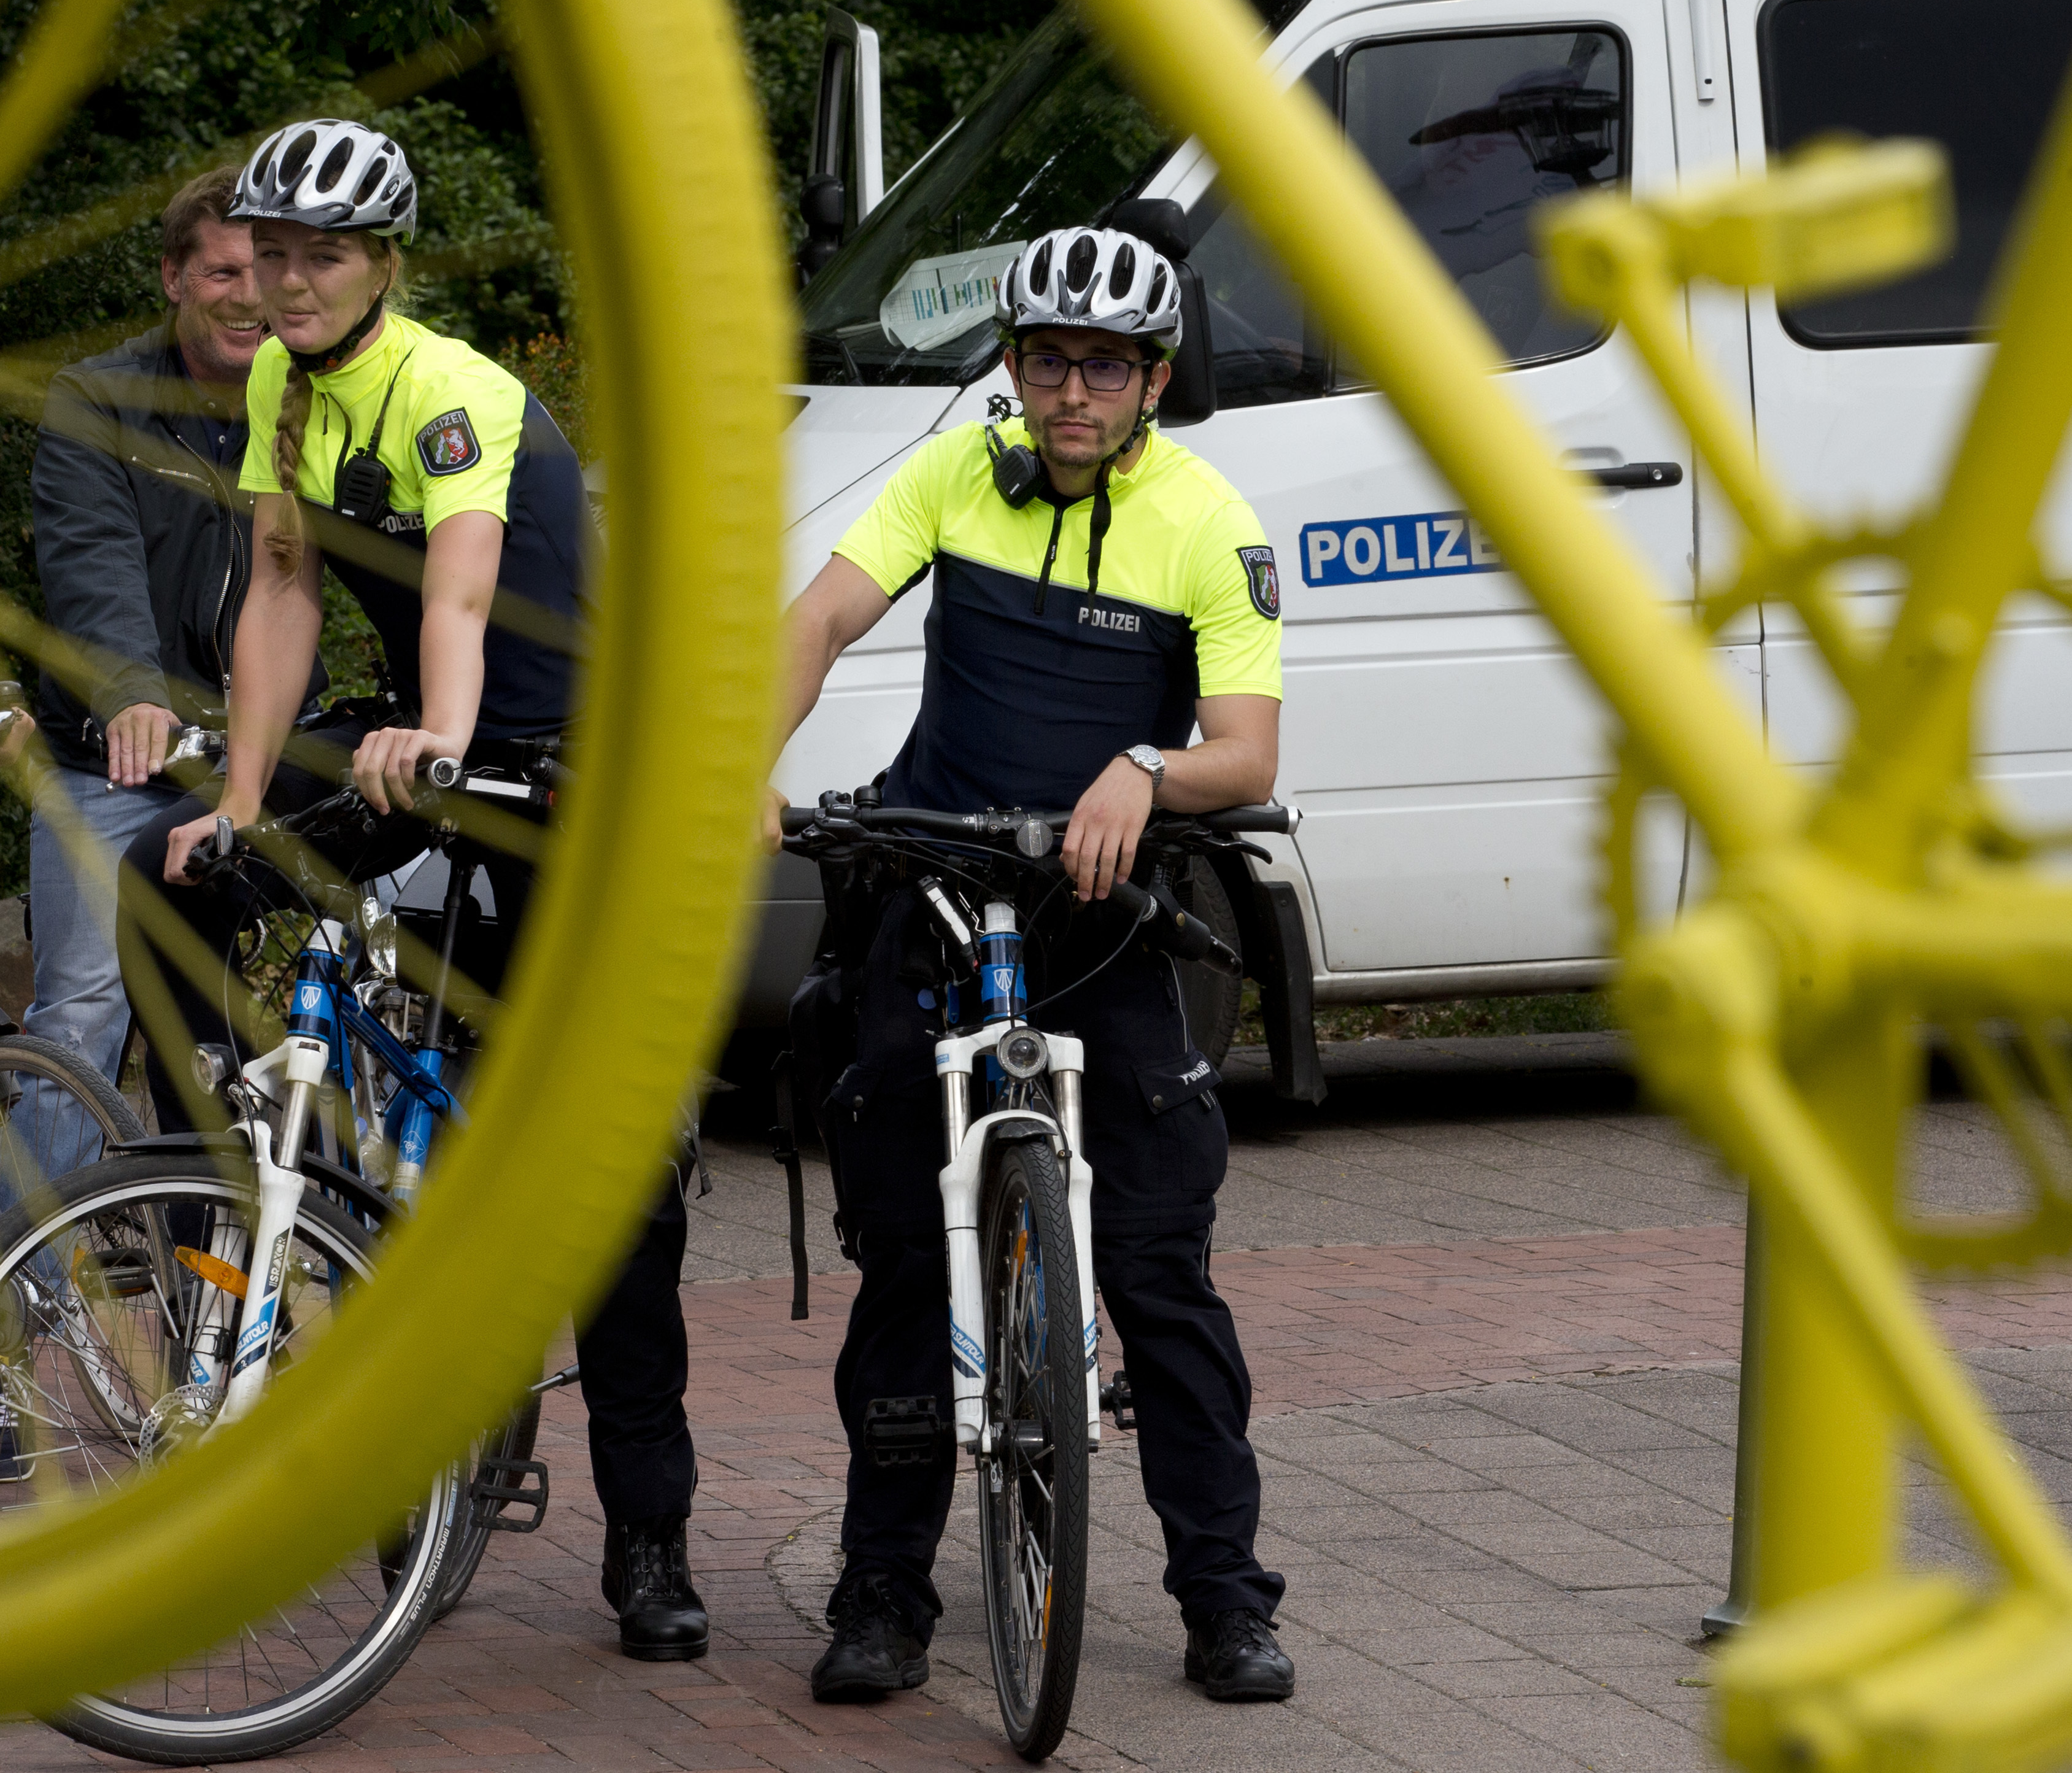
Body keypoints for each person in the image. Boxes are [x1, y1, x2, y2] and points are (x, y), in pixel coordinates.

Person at [117, 117, 709, 1663]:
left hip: (550, 753)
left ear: (387, 264)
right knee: (168, 875)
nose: (287, 283)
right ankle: (236, 1149)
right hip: (414, 741)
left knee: (608, 1192)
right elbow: (286, 586)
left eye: (322, 257)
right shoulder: (275, 384)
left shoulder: (451, 392)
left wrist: (440, 738)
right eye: (268, 257)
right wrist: (239, 806)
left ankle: (652, 1541)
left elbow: (455, 589)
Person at [767, 224, 1297, 1704]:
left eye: (1108, 367)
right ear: (1012, 366)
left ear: (1153, 381)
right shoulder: (951, 475)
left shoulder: (1205, 518)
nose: (1075, 391)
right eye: (1050, 360)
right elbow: (818, 617)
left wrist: (1146, 764)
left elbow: (1247, 750)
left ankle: (1224, 1600)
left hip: (1103, 918)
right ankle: (883, 1594)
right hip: (933, 890)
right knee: (897, 1277)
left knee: (1156, 1270)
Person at [6, 168, 314, 1206]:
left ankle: (227, 1274)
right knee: (85, 1012)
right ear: (175, 278)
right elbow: (94, 568)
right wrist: (133, 694)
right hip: (114, 758)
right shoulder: (100, 398)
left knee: (270, 1021)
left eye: (264, 270)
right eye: (222, 270)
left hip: (257, 761)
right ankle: (20, 1295)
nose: (248, 295)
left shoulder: (308, 404)